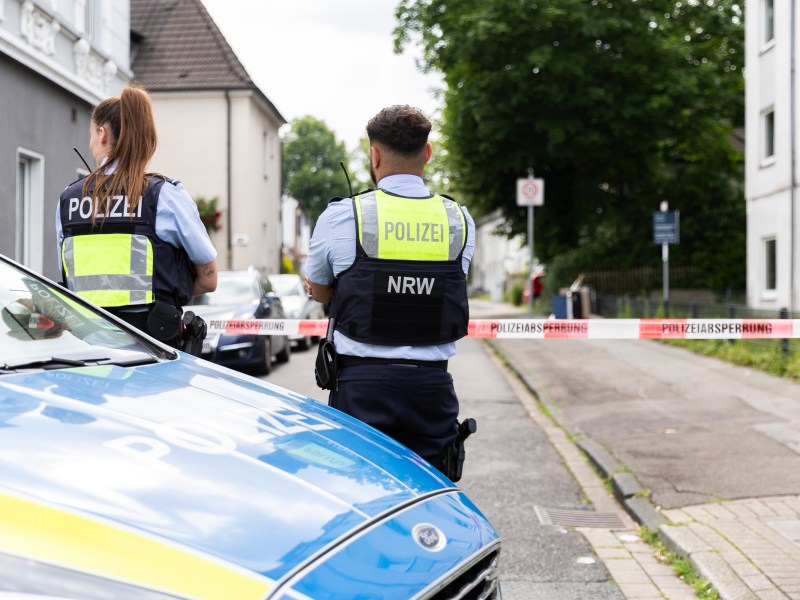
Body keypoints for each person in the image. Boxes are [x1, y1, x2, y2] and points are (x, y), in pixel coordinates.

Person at [305, 104, 475, 475]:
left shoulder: (343, 215)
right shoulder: (458, 220)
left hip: (362, 388)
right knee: (433, 496)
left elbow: (318, 290)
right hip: (432, 389)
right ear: (427, 153)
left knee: (359, 495)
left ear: (374, 155)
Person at [56, 83, 217, 348]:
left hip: (86, 354)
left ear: (102, 134)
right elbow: (209, 279)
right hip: (153, 351)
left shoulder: (68, 200)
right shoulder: (165, 196)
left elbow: (68, 276)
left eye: (91, 135)